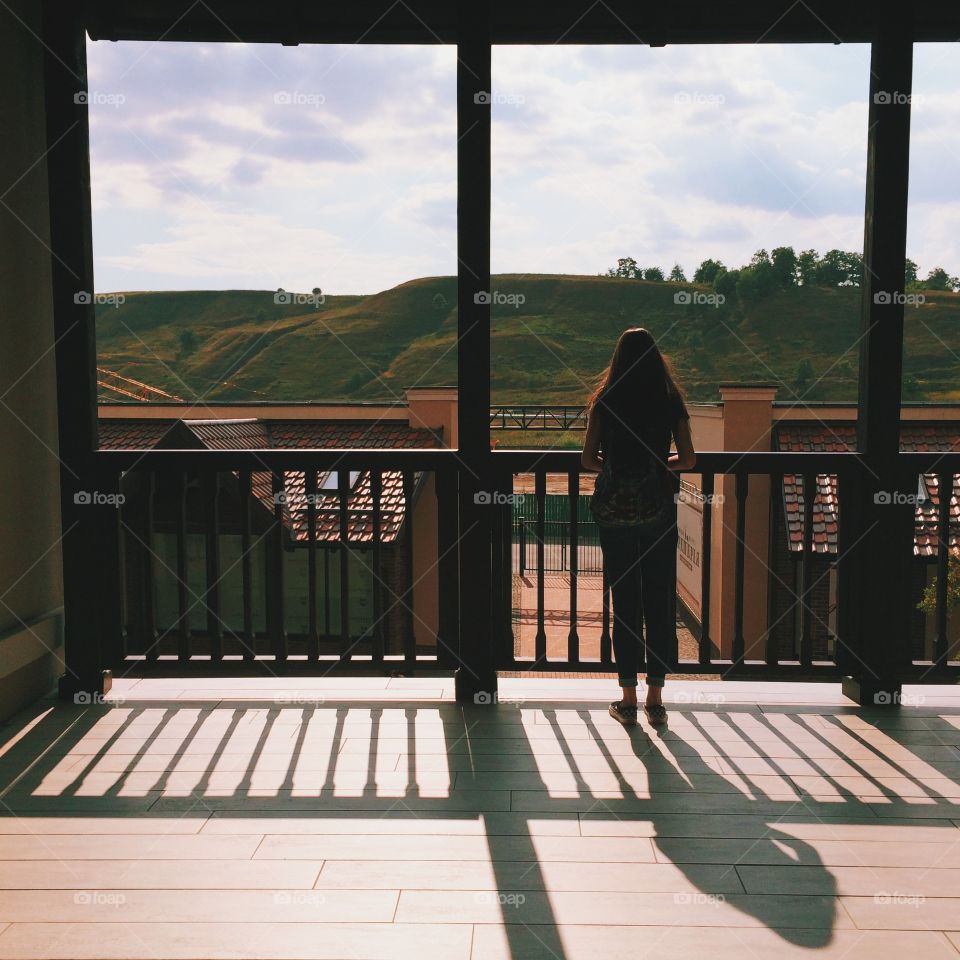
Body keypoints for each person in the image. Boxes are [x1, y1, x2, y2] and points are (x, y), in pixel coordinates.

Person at [581, 328, 696, 727]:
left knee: (625, 605)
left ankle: (626, 698)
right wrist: (660, 466)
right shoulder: (669, 401)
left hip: (615, 515)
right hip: (658, 510)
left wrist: (614, 466)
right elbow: (689, 459)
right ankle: (656, 700)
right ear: (656, 359)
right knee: (659, 602)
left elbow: (587, 461)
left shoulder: (606, 400)